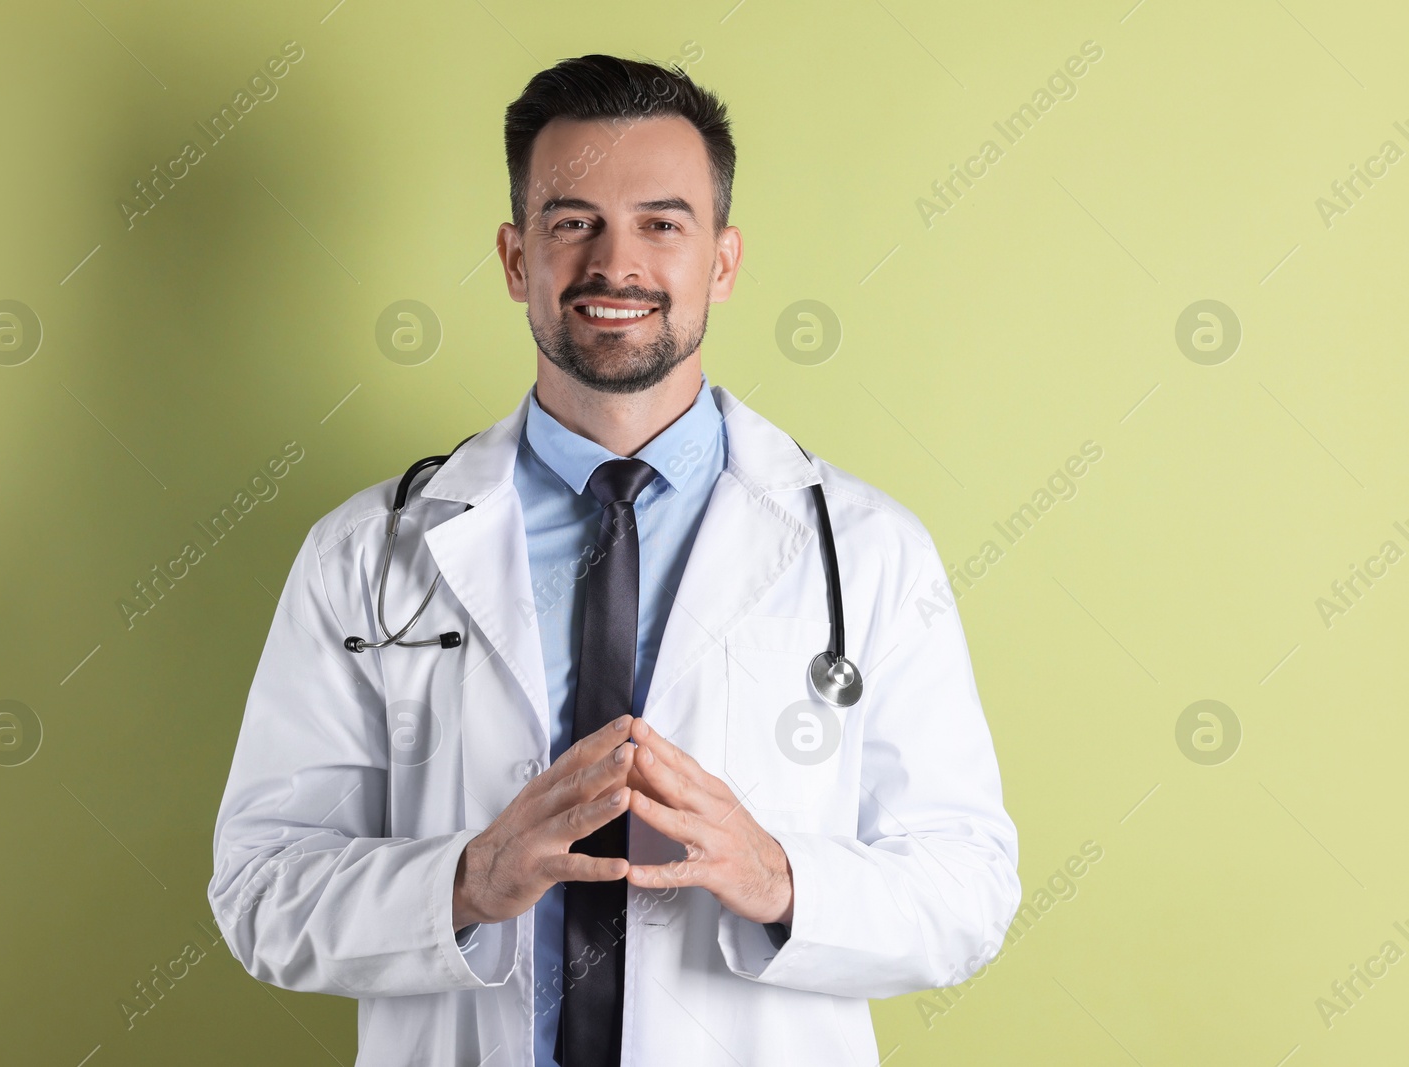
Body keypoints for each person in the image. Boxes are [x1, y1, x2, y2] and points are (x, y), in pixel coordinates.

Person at [208, 53, 1019, 1067]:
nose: (614, 262)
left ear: (720, 260)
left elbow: (969, 887)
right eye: (571, 220)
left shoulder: (866, 551)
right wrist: (463, 879)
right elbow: (260, 891)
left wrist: (776, 877)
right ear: (516, 258)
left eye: (661, 223)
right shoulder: (367, 552)